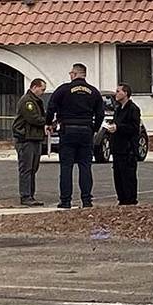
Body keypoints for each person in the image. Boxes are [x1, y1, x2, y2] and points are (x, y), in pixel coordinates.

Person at [46, 63, 103, 209]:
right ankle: (86, 200)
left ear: (75, 74)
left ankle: (65, 201)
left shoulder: (64, 89)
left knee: (66, 167)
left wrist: (48, 123)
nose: (70, 75)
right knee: (85, 166)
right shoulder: (94, 91)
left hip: (68, 130)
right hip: (85, 131)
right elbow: (100, 114)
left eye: (71, 73)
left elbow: (51, 106)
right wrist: (94, 129)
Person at [13, 78, 47, 206]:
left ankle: (30, 195)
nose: (43, 92)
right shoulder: (27, 101)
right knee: (26, 168)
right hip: (25, 139)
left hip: (34, 138)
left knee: (33, 168)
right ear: (35, 87)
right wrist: (47, 120)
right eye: (42, 89)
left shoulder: (36, 101)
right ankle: (26, 196)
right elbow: (33, 119)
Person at [108, 83, 141, 205]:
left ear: (125, 93)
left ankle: (130, 199)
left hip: (128, 149)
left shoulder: (133, 109)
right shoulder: (118, 109)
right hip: (118, 148)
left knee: (128, 176)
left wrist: (119, 127)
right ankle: (121, 198)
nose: (115, 94)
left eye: (118, 91)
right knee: (118, 176)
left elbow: (134, 127)